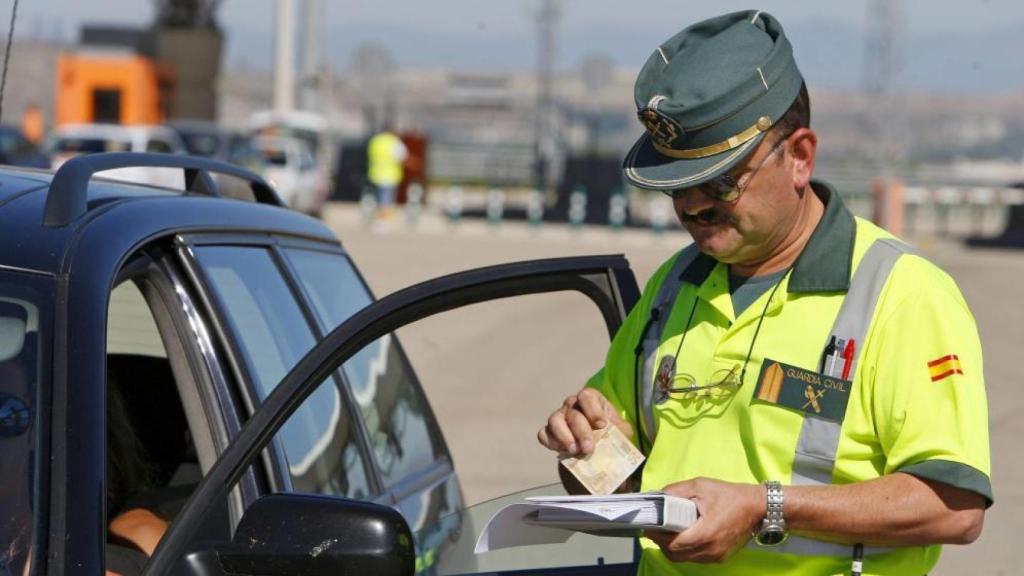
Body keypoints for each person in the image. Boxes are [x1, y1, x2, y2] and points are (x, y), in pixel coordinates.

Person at [537, 10, 991, 576]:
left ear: (799, 156)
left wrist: (764, 508)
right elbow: (619, 482)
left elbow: (955, 506)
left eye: (721, 180)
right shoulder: (674, 286)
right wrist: (585, 445)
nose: (692, 206)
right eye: (675, 186)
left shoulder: (901, 294)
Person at [367, 126, 408, 220]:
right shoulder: (394, 142)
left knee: (378, 196)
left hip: (375, 174)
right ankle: (383, 217)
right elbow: (402, 156)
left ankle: (376, 214)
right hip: (390, 174)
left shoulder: (376, 141)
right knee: (386, 197)